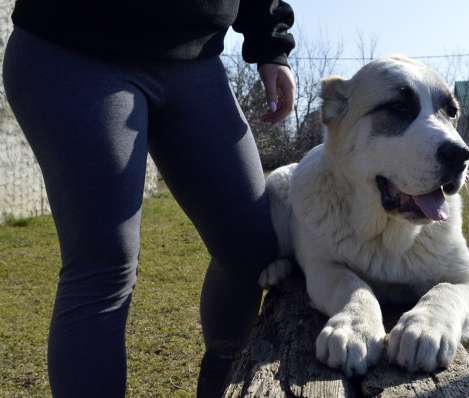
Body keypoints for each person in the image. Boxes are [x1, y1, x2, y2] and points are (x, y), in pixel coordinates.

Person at [2, 1, 295, 397]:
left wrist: (271, 42)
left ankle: (221, 383)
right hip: (73, 48)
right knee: (104, 265)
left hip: (195, 59)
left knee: (253, 246)